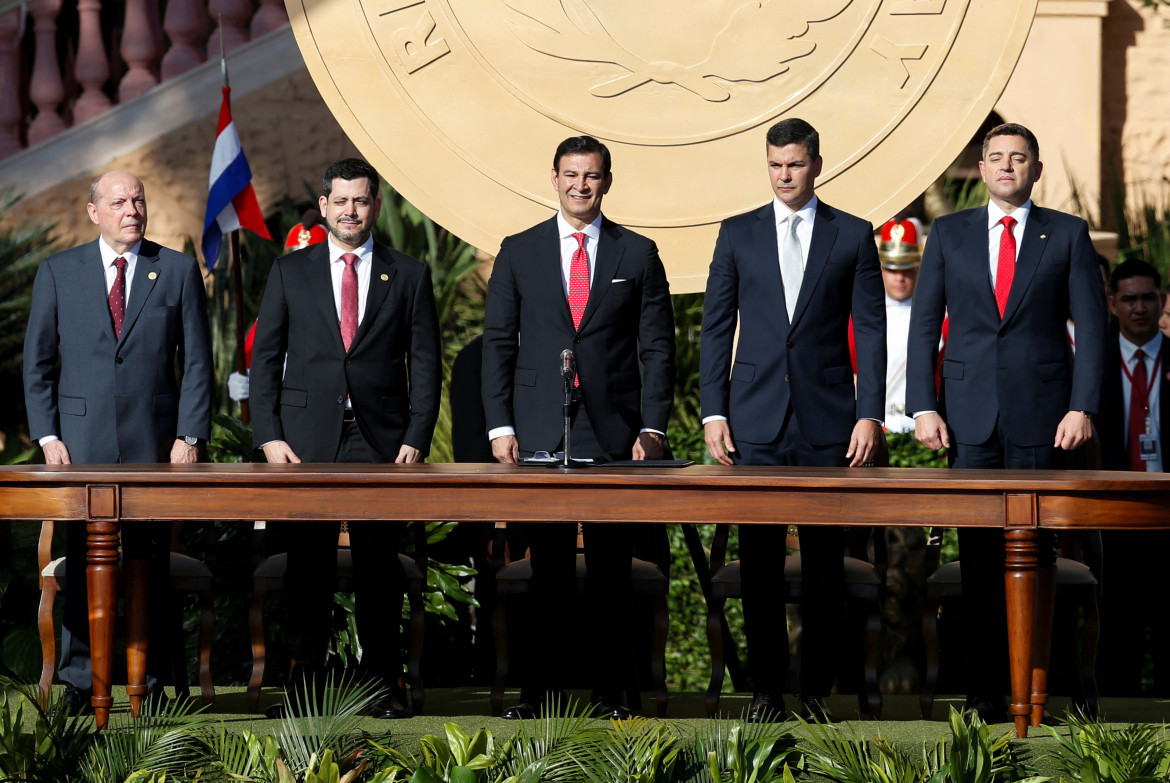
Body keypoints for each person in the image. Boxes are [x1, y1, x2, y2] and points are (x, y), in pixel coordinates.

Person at [906, 122, 1107, 721]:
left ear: (1035, 170)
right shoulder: (949, 233)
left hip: (1043, 419)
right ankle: (984, 692)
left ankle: (1041, 688)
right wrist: (924, 403)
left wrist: (1083, 405)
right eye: (995, 158)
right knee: (978, 561)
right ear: (984, 167)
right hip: (968, 418)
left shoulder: (1066, 234)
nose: (1006, 167)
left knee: (1037, 557)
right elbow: (925, 324)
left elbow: (1092, 327)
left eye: (1019, 159)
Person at [481, 135, 676, 720]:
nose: (580, 185)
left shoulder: (637, 254)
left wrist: (653, 428)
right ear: (554, 177)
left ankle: (612, 695)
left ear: (607, 181)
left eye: (591, 176)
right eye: (570, 174)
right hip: (539, 429)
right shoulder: (519, 251)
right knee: (548, 572)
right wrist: (500, 425)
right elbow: (497, 345)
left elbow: (659, 349)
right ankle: (538, 696)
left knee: (612, 572)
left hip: (614, 435)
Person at [699, 117, 886, 722]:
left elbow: (873, 332)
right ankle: (766, 692)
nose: (784, 175)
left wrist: (870, 414)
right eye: (775, 165)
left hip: (829, 424)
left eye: (795, 164)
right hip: (753, 421)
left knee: (825, 568)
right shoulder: (737, 234)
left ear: (817, 165)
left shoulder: (853, 235)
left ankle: (813, 691)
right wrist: (713, 410)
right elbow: (716, 329)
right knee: (758, 568)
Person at [250, 158, 442, 719]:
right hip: (304, 441)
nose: (351, 210)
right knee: (305, 569)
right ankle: (303, 689)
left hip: (382, 443)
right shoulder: (291, 271)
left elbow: (425, 364)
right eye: (341, 201)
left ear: (375, 206)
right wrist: (269, 436)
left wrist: (417, 434)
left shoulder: (408, 274)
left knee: (378, 570)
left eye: (361, 201)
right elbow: (266, 361)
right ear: (326, 206)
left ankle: (381, 686)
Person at [23, 171, 213, 713]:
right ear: (94, 212)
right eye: (118, 202)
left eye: (138, 200)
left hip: (156, 448)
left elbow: (198, 361)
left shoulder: (174, 270)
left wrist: (189, 434)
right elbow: (37, 364)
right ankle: (84, 682)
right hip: (79, 449)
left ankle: (148, 682)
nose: (132, 209)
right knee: (86, 562)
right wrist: (48, 435)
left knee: (149, 565)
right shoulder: (59, 272)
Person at [1095, 259, 1170, 696]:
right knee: (1117, 624)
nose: (1139, 307)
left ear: (1161, 301)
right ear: (1112, 304)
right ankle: (1115, 725)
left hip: (1166, 506)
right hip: (1114, 509)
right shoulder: (1092, 365)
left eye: (1147, 298)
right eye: (1129, 299)